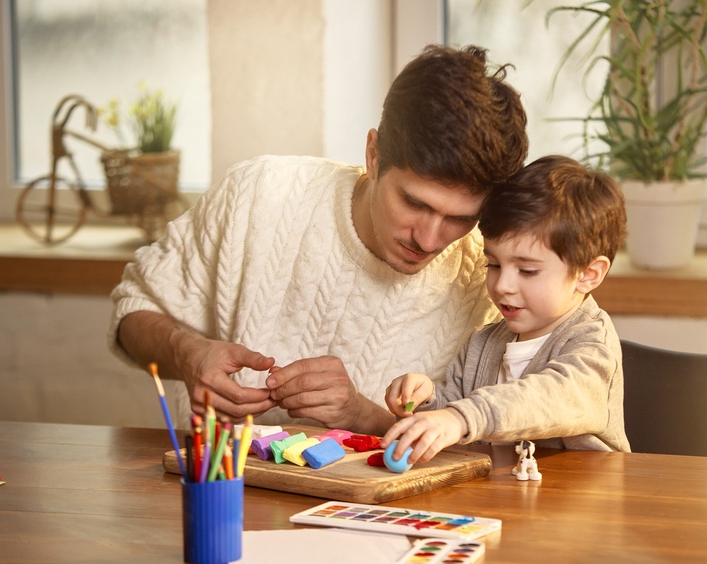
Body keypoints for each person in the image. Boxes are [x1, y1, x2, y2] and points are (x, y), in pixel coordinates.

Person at [108, 44, 528, 434]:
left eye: (460, 218)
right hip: (219, 492)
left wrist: (363, 415)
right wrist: (188, 354)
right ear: (374, 155)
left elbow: (481, 449)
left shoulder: (489, 277)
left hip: (385, 511)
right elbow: (134, 310)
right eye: (414, 203)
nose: (430, 238)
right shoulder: (259, 193)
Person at [382, 155, 631, 465]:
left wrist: (460, 417)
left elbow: (549, 398)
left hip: (580, 504)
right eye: (494, 264)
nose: (502, 285)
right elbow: (456, 415)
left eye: (527, 270)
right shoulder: (483, 343)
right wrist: (427, 402)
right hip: (501, 501)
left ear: (588, 274)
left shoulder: (592, 343)